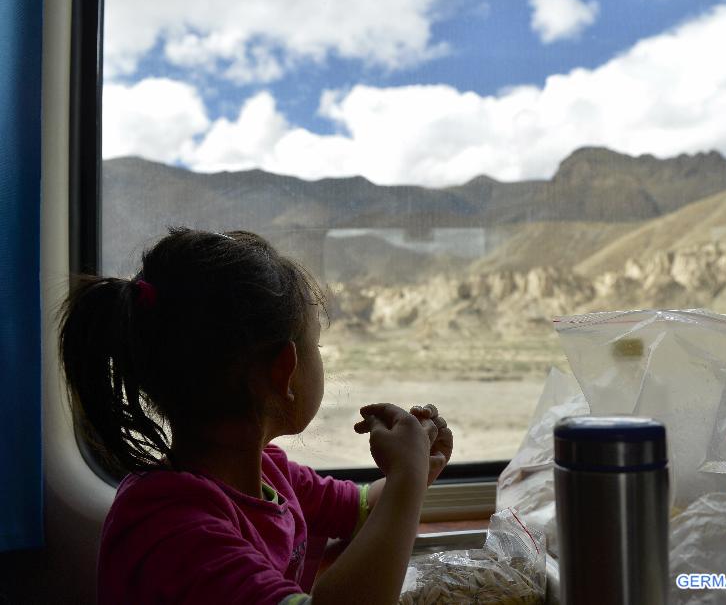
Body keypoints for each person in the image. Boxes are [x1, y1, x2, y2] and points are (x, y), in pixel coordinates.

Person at [57, 228, 453, 605]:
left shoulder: (270, 476)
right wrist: (406, 477)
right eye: (315, 344)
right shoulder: (175, 531)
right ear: (285, 372)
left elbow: (360, 509)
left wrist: (416, 469)